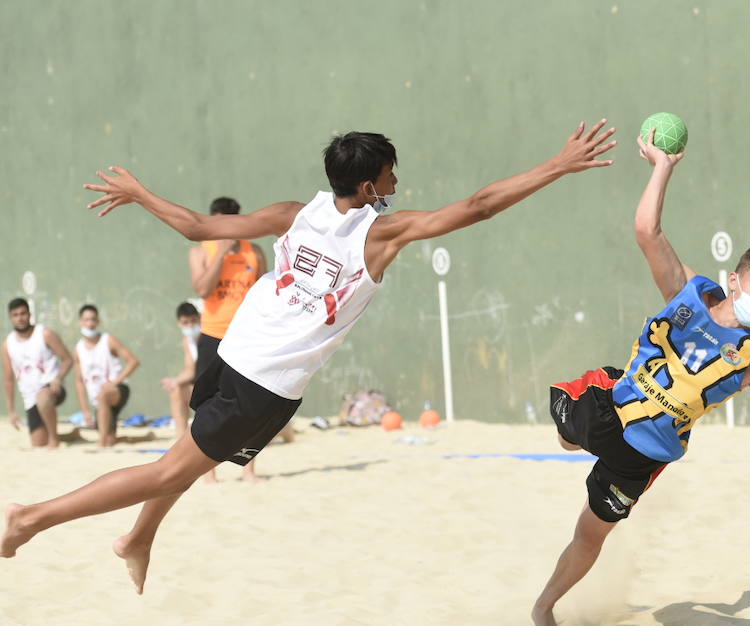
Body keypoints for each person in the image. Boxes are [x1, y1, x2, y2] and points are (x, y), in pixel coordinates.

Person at [2, 120, 617, 591]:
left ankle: (138, 537)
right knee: (168, 472)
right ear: (371, 184)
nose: (399, 184)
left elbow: (193, 227)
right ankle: (30, 518)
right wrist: (558, 165)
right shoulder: (381, 233)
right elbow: (479, 206)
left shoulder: (293, 215)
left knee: (185, 459)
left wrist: (141, 193)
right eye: (393, 175)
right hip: (263, 384)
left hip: (227, 355)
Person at [531, 132, 750, 626]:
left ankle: (543, 606)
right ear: (735, 280)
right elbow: (647, 230)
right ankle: (573, 437)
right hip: (611, 406)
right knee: (569, 433)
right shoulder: (688, 295)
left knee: (591, 535)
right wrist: (662, 166)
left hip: (644, 454)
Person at [189, 197, 269, 481]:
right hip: (213, 334)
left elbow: (264, 294)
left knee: (252, 402)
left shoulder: (254, 251)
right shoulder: (200, 252)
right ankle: (207, 472)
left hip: (247, 336)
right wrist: (221, 254)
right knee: (208, 402)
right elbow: (202, 289)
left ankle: (248, 471)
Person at [4, 298, 73, 450]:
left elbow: (67, 359)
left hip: (51, 388)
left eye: (23, 313)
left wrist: (58, 379)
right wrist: (11, 411)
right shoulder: (7, 344)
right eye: (15, 315)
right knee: (38, 442)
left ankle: (55, 441)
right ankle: (70, 436)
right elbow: (9, 379)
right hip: (29, 397)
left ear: (29, 314)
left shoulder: (45, 334)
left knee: (43, 396)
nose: (20, 318)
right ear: (11, 318)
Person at [72, 304, 140, 448]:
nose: (90, 324)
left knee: (103, 395)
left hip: (117, 391)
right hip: (98, 402)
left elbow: (133, 361)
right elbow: (79, 381)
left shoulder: (108, 340)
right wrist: (85, 410)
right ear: (80, 322)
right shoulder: (78, 349)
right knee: (111, 439)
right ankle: (146, 437)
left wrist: (115, 382)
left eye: (93, 320)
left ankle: (100, 444)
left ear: (98, 321)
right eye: (86, 320)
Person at [160, 301, 201, 438]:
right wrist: (175, 382)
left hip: (217, 387)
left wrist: (175, 381)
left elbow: (194, 371)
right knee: (176, 390)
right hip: (200, 386)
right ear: (179, 324)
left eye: (193, 321)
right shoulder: (187, 341)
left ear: (200, 318)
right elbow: (189, 370)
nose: (190, 325)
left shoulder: (209, 337)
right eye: (186, 322)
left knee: (177, 385)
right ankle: (181, 437)